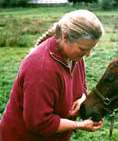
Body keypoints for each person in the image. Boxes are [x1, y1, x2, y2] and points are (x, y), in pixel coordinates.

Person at [0, 9, 104, 141]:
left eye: (91, 49)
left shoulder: (75, 57)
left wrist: (82, 98)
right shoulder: (41, 69)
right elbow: (39, 122)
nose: (88, 54)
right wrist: (78, 125)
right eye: (83, 49)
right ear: (65, 37)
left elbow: (81, 87)